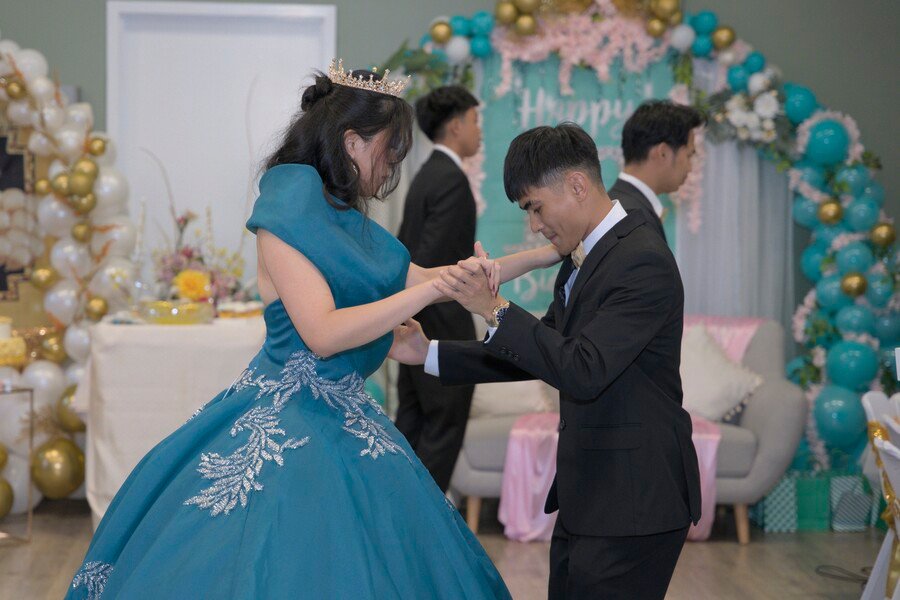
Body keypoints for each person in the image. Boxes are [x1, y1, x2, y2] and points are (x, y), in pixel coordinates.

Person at [66, 61, 561, 599]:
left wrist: (544, 255)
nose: (392, 165)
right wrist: (426, 292)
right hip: (288, 412)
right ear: (352, 142)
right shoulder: (287, 209)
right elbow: (322, 332)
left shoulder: (343, 218)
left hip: (347, 409)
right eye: (389, 150)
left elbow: (437, 278)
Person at [392, 123, 701, 600]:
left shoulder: (642, 258)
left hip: (635, 499)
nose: (535, 225)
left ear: (577, 185)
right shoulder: (586, 256)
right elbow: (542, 353)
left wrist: (494, 308)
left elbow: (583, 369)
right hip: (592, 496)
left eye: (535, 207)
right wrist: (428, 353)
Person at [396, 85, 482, 492]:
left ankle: (395, 516)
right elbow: (432, 264)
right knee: (442, 433)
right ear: (455, 125)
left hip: (413, 324)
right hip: (440, 328)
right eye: (475, 121)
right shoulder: (451, 180)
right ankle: (424, 524)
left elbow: (405, 253)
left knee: (412, 428)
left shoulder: (426, 175)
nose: (479, 131)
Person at [609, 99, 705, 242]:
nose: (690, 168)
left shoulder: (620, 206)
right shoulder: (633, 218)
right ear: (663, 153)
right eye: (689, 155)